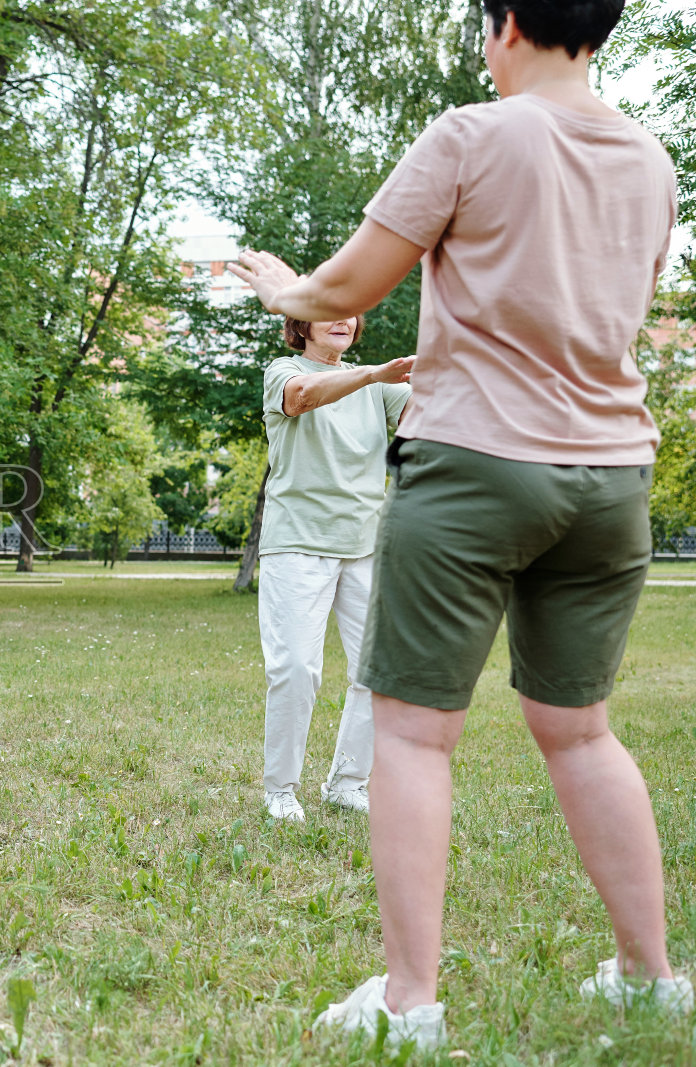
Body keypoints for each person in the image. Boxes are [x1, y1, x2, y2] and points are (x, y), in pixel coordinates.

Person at [230, 0, 688, 1049]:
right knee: (582, 727)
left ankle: (408, 1001)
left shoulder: (472, 134)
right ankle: (651, 974)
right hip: (612, 476)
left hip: (479, 461)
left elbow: (349, 284)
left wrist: (276, 291)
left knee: (412, 731)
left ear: (510, 23)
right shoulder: (652, 160)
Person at [259, 315, 412, 823]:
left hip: (365, 544)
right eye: (330, 309)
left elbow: (428, 420)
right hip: (298, 542)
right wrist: (373, 375)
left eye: (352, 310)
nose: (344, 318)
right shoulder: (284, 370)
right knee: (297, 670)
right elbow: (302, 396)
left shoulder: (378, 386)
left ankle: (347, 781)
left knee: (379, 671)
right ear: (302, 325)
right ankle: (280, 791)